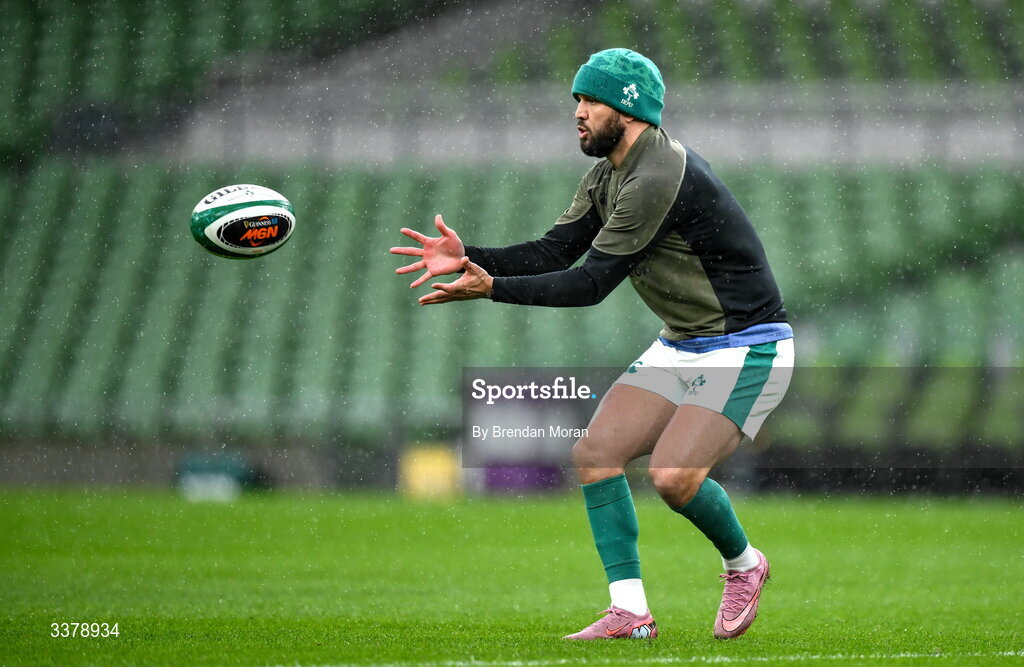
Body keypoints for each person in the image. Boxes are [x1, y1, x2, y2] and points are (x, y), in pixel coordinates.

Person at [390, 48, 793, 641]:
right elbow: (555, 251)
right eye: (576, 99)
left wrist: (492, 288)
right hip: (682, 343)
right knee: (595, 454)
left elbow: (587, 285)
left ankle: (745, 565)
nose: (577, 112)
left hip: (745, 347)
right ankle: (630, 613)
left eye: (589, 100)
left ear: (628, 110)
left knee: (673, 478)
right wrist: (468, 255)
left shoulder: (657, 174)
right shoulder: (608, 172)